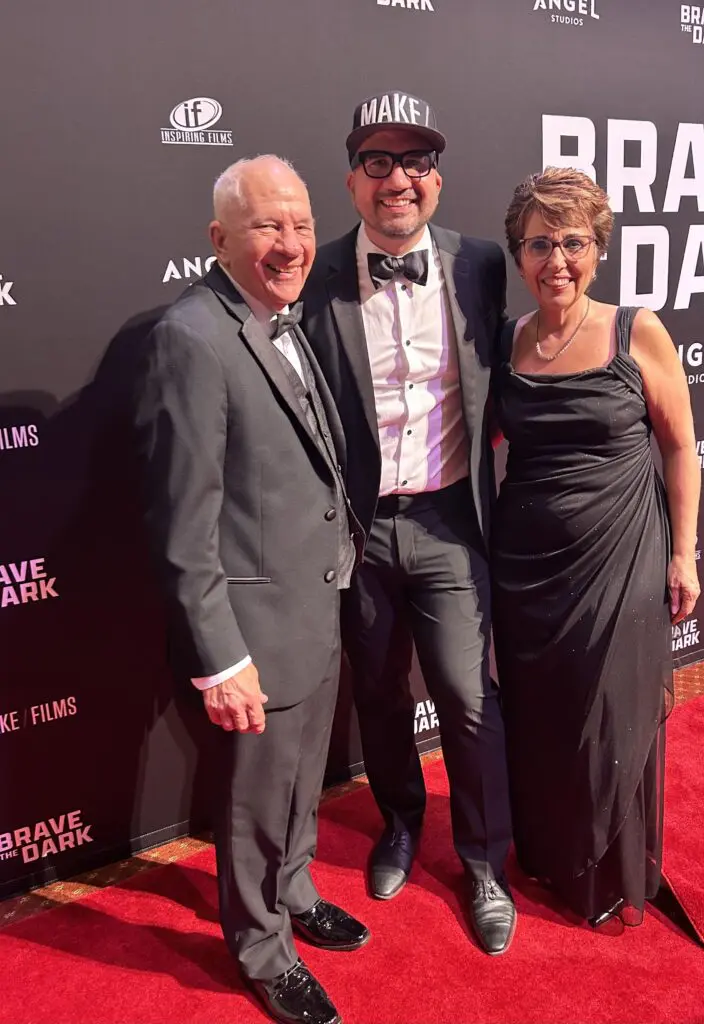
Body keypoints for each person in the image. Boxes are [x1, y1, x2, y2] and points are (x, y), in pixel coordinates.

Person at [133, 155, 368, 1024]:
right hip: (254, 632)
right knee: (255, 802)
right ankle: (262, 948)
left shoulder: (284, 319)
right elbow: (181, 523)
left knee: (302, 785)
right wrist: (221, 657)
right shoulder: (191, 339)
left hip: (315, 606)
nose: (291, 243)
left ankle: (297, 891)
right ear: (220, 237)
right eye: (269, 225)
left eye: (302, 225)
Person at [301, 91, 515, 955]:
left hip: (450, 520)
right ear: (352, 180)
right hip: (356, 531)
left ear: (438, 177)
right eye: (379, 162)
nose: (400, 179)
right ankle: (398, 826)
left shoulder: (483, 265)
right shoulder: (311, 274)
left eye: (416, 162)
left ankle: (485, 863)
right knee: (382, 697)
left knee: (466, 699)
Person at [491, 167, 701, 929]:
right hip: (525, 568)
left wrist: (685, 554)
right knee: (542, 716)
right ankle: (547, 854)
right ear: (518, 254)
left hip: (619, 554)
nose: (558, 262)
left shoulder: (634, 330)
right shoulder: (506, 341)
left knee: (608, 715)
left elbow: (679, 447)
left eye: (573, 242)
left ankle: (608, 870)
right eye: (540, 244)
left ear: (598, 248)